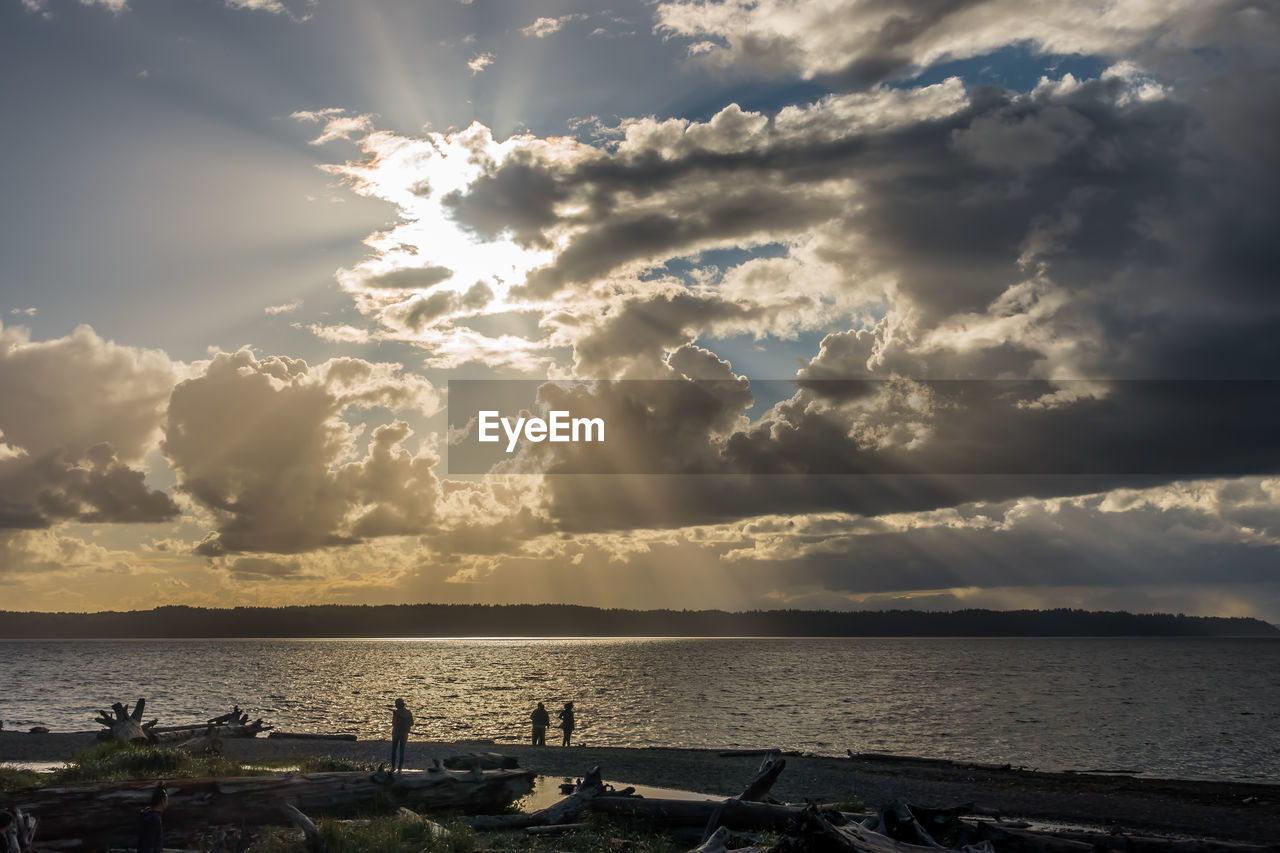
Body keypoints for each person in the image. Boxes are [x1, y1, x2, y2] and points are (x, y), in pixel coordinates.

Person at [137, 783, 167, 853]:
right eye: (167, 800)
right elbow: (149, 845)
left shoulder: (148, 814)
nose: (167, 803)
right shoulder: (154, 819)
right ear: (162, 801)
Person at [390, 698, 414, 773]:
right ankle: (400, 769)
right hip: (405, 733)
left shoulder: (396, 713)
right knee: (402, 751)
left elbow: (393, 723)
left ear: (397, 705)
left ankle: (393, 767)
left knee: (394, 750)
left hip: (396, 733)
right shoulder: (408, 712)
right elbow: (412, 723)